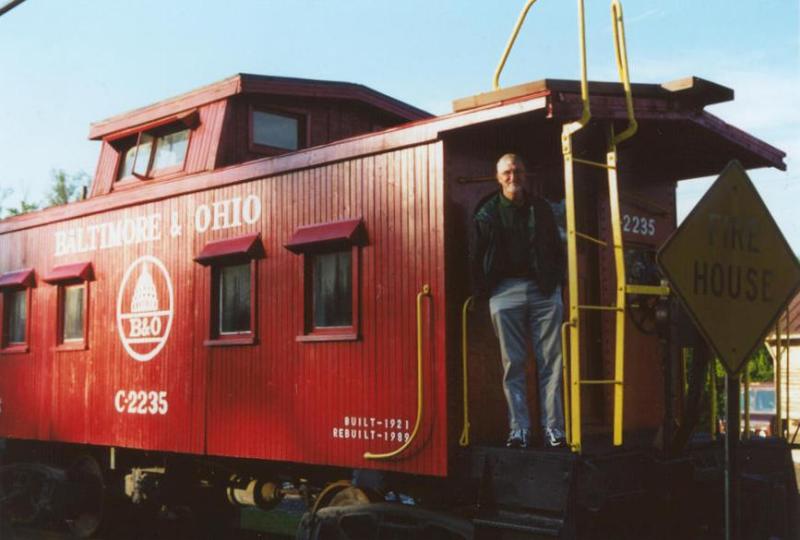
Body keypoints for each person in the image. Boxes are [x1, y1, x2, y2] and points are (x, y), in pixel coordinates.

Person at [470, 153, 566, 449]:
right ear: (498, 178)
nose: (514, 177)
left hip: (543, 290)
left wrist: (556, 281)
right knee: (513, 363)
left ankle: (554, 430)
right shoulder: (486, 213)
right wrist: (484, 290)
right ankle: (519, 430)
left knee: (552, 360)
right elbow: (476, 256)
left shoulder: (543, 209)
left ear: (526, 175)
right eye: (507, 172)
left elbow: (558, 246)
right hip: (505, 291)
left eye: (518, 171)